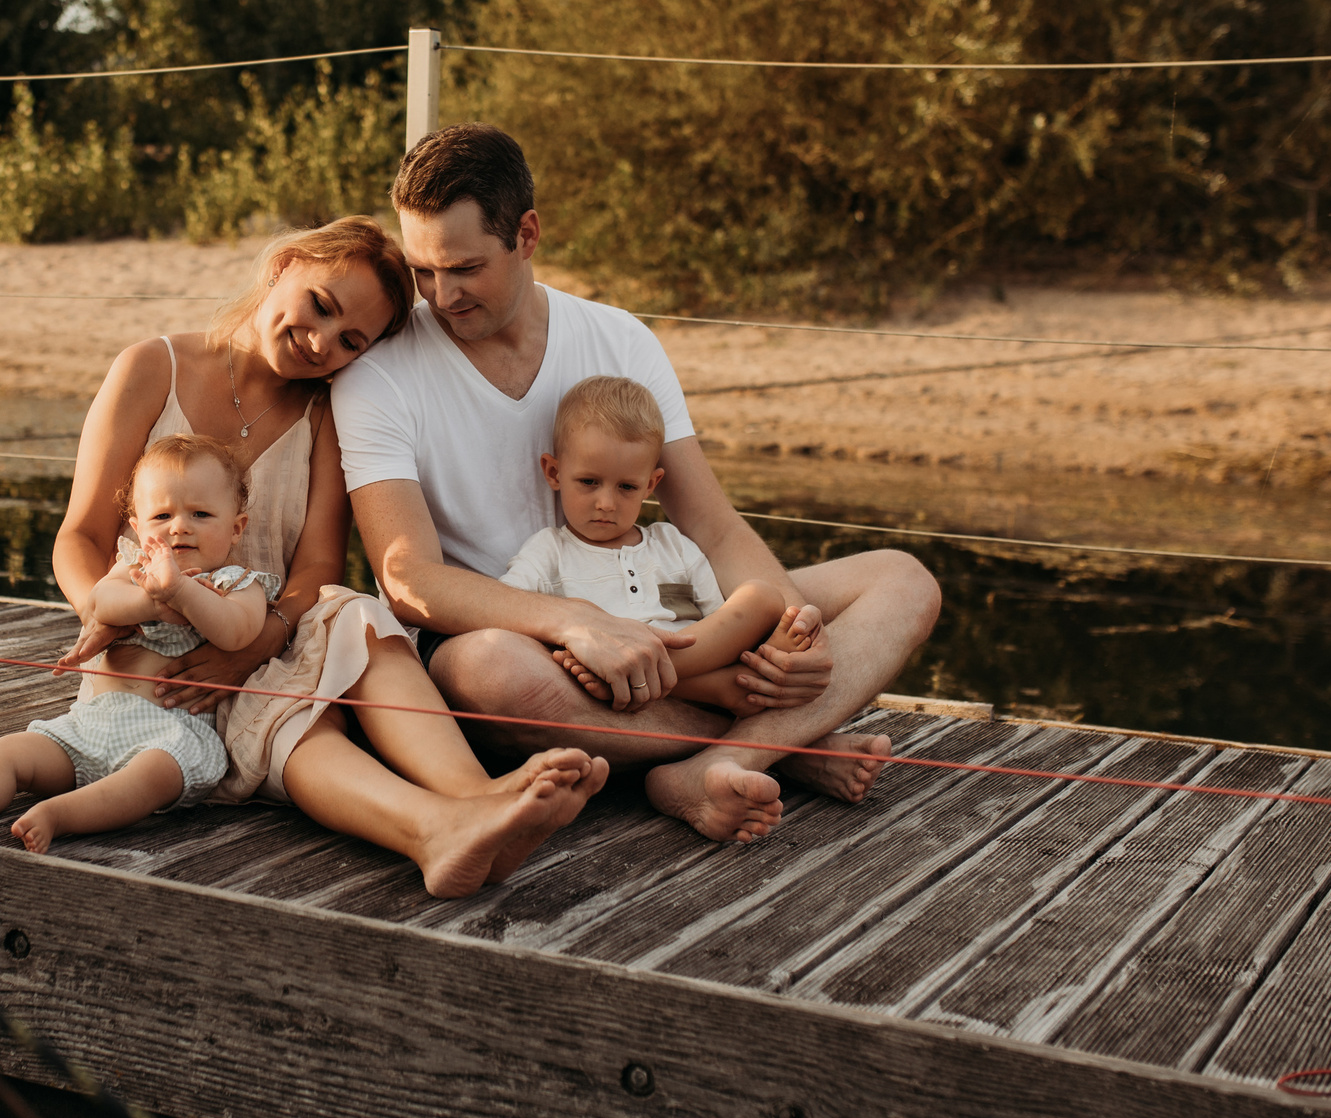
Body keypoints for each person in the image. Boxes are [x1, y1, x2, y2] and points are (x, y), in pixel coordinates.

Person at [336, 125, 943, 845]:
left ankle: (722, 760)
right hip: (520, 646)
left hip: (670, 628)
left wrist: (790, 634)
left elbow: (711, 525)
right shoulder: (378, 372)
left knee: (902, 580)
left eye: (464, 267)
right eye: (423, 270)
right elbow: (407, 578)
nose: (441, 295)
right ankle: (789, 745)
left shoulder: (619, 338)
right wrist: (573, 623)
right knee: (492, 672)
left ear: (526, 234)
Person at [45, 216, 606, 898]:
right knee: (285, 715)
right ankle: (434, 827)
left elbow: (314, 569)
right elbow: (80, 535)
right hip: (152, 656)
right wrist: (99, 613)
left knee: (355, 611)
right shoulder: (150, 367)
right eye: (320, 306)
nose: (320, 343)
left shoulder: (327, 411)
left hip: (262, 630)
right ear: (284, 265)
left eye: (350, 341)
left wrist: (253, 644)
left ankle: (479, 799)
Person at [0, 434, 270, 854]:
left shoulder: (234, 584)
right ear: (137, 527)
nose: (179, 526)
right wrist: (153, 600)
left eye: (200, 514)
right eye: (162, 516)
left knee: (153, 776)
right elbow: (101, 602)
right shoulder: (134, 568)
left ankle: (60, 814)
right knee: (10, 752)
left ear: (236, 528)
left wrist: (181, 591)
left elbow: (237, 632)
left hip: (173, 735)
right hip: (89, 725)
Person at [504, 374, 819, 713]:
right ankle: (720, 687)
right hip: (604, 659)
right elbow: (506, 607)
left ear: (651, 484)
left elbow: (718, 619)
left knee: (763, 595)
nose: (606, 502)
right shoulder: (549, 551)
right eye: (589, 482)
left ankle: (679, 679)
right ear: (554, 472)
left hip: (683, 659)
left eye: (626, 487)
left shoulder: (672, 545)